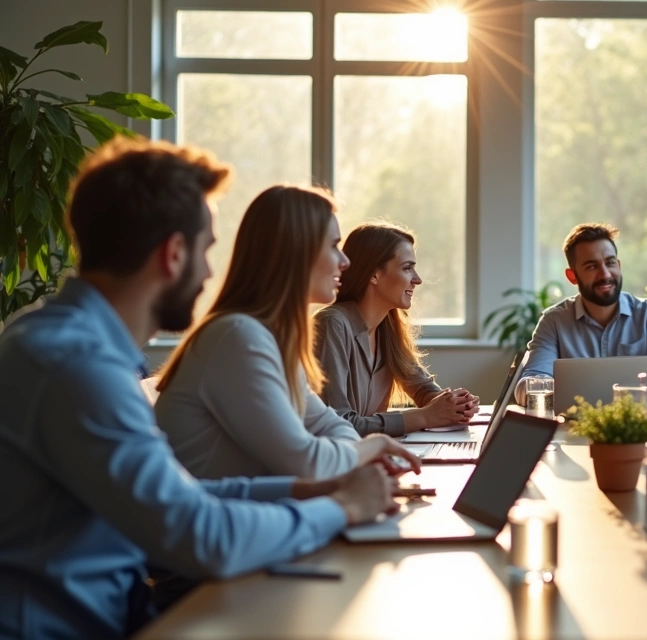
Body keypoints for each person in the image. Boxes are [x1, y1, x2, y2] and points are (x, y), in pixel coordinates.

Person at [0, 138, 417, 640]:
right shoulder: (75, 363)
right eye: (207, 250)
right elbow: (200, 535)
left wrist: (307, 489)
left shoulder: (78, 347)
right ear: (174, 254)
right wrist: (342, 507)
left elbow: (183, 494)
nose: (209, 272)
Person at [155, 185, 408, 480]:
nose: (345, 262)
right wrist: (371, 447)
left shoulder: (273, 337)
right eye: (332, 246)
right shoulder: (237, 337)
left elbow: (330, 425)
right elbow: (307, 463)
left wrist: (353, 456)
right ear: (296, 251)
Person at [314, 222, 479, 437]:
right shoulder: (332, 324)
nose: (417, 279)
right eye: (407, 268)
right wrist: (425, 416)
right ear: (374, 275)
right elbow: (338, 424)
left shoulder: (388, 327)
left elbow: (422, 389)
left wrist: (452, 406)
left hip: (370, 455)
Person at [516, 223, 647, 404]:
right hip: (571, 428)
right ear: (572, 276)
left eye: (610, 263)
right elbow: (527, 386)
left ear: (618, 265)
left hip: (639, 428)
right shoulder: (553, 321)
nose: (605, 274)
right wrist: (554, 390)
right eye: (592, 266)